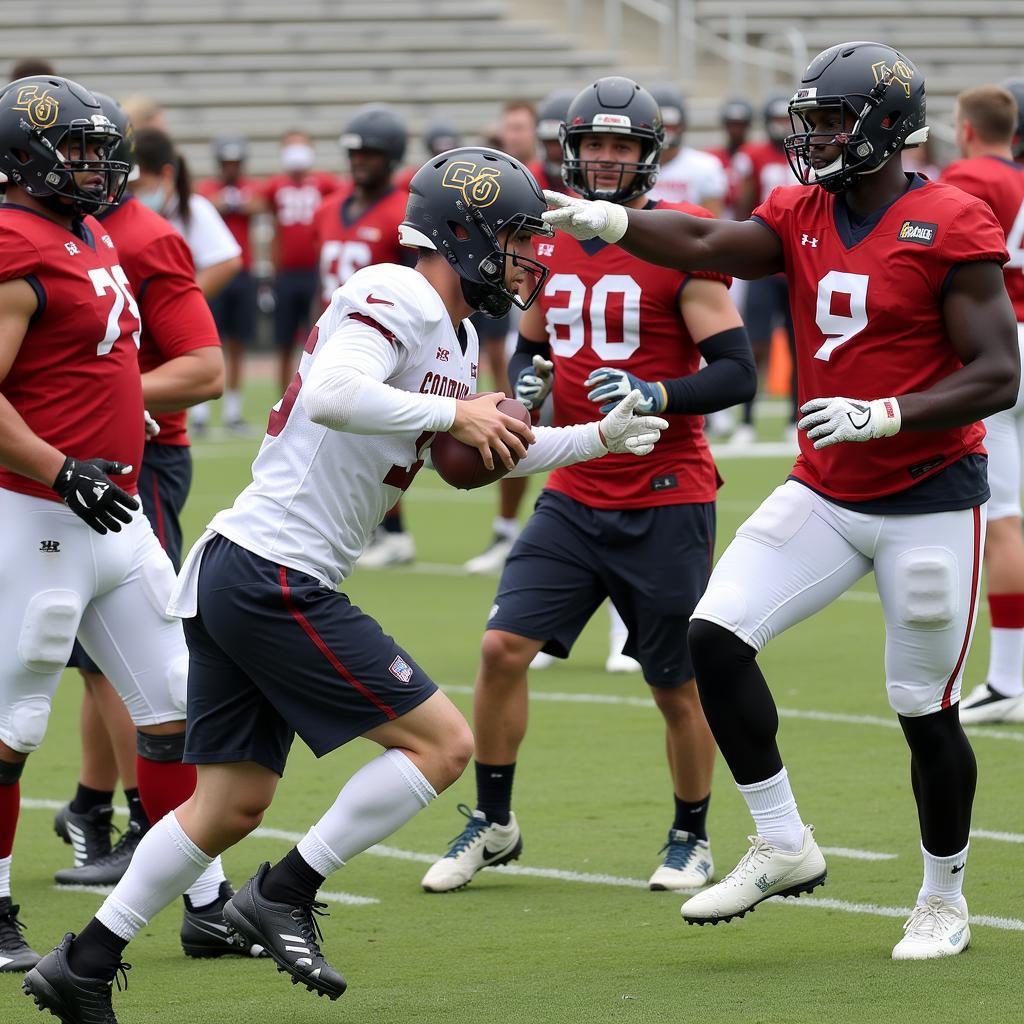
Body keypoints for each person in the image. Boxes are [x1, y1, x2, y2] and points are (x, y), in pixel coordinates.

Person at [23, 146, 669, 1020]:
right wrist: (457, 410)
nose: (532, 256)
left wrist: (595, 439)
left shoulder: (459, 330)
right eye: (516, 237)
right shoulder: (397, 291)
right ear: (466, 232)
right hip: (273, 570)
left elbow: (463, 456)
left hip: (243, 570)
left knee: (231, 803)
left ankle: (82, 963)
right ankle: (283, 893)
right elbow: (334, 392)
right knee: (442, 745)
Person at [542, 42, 1019, 959]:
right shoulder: (802, 209)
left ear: (882, 127)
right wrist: (610, 220)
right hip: (827, 485)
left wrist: (888, 413)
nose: (816, 138)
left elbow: (998, 373)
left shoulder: (949, 219)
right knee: (713, 637)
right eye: (814, 121)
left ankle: (942, 895)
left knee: (923, 705)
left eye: (834, 122)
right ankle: (782, 838)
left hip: (927, 494)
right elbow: (714, 244)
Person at [423, 78, 755, 895]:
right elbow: (532, 344)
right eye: (595, 145)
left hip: (666, 490)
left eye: (622, 146)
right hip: (573, 487)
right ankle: (494, 822)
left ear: (649, 155)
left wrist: (657, 397)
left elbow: (738, 370)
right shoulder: (550, 235)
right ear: (571, 148)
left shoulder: (677, 243)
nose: (606, 160)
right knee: (502, 650)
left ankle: (691, 836)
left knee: (675, 683)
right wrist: (529, 387)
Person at [0, 75, 227, 975]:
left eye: (101, 149)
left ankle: (204, 903)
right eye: (79, 150)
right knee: (15, 724)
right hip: (37, 517)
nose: (97, 166)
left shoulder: (83, 231)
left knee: (174, 706)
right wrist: (59, 465)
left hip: (118, 511)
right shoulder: (16, 244)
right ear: (25, 154)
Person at [941, 85, 1024, 724]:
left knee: (1003, 518)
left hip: (999, 343)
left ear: (966, 129)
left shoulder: (969, 176)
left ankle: (1007, 677)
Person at [314, 104, 416, 568]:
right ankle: (370, 529)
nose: (359, 161)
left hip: (385, 335)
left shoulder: (402, 211)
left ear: (391, 156)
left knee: (381, 437)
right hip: (338, 332)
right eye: (354, 152)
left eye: (370, 153)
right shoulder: (330, 207)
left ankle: (393, 532)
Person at [131, 128, 242, 437]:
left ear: (165, 175)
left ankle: (203, 415)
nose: (135, 193)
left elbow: (228, 259)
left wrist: (175, 301)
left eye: (140, 185)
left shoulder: (192, 209)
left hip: (165, 325)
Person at [730, 94, 802, 445]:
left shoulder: (806, 151)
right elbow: (743, 203)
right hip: (762, 262)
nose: (778, 127)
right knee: (754, 342)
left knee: (798, 343)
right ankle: (746, 419)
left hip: (798, 263)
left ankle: (795, 417)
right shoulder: (753, 156)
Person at [262, 130, 338, 395]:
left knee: (319, 337)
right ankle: (283, 397)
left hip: (316, 274)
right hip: (286, 273)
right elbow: (273, 227)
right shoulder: (275, 186)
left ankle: (317, 393)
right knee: (283, 340)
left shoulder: (325, 183)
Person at [197, 137, 262, 433]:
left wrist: (234, 202)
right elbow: (204, 203)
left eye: (235, 163)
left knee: (237, 344)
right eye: (227, 163)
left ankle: (233, 412)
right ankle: (200, 412)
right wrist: (228, 202)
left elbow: (258, 205)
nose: (231, 168)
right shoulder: (209, 188)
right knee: (208, 341)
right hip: (215, 271)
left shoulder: (250, 187)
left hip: (243, 273)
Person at [647, 83, 727, 215]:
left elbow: (712, 223)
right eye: (659, 123)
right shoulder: (635, 165)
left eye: (670, 123)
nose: (665, 130)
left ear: (682, 124)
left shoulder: (705, 166)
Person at [707, 97, 754, 219]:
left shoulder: (756, 155)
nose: (736, 130)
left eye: (740, 125)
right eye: (732, 124)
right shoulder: (712, 157)